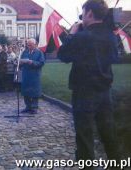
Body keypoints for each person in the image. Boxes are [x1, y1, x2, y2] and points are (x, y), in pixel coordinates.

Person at [57, 0, 121, 165]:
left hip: (84, 92)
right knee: (108, 132)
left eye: (84, 13)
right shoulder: (110, 36)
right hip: (105, 91)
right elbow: (115, 57)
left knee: (85, 135)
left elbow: (63, 55)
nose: (82, 17)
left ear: (90, 13)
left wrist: (72, 33)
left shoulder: (82, 37)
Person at [20, 38, 45, 114]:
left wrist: (32, 62)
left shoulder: (39, 52)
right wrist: (21, 62)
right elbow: (21, 60)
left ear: (35, 44)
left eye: (30, 45)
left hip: (35, 75)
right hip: (26, 74)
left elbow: (41, 63)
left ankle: (34, 107)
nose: (29, 46)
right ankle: (28, 107)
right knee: (26, 91)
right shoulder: (25, 52)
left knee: (34, 92)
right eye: (28, 45)